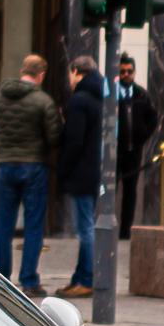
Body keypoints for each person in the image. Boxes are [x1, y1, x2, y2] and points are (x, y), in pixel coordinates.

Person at [0, 53, 60, 296]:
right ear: (41, 75)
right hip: (34, 167)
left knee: (4, 226)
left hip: (5, 165)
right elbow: (54, 138)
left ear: (22, 71)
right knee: (33, 226)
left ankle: (0, 278)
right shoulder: (43, 101)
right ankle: (29, 281)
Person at [55, 55, 104, 299]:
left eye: (70, 74)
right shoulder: (100, 97)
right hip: (94, 171)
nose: (69, 79)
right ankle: (80, 277)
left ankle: (86, 279)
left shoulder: (79, 100)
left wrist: (62, 171)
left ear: (76, 71)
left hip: (80, 173)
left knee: (85, 229)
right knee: (87, 226)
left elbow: (74, 140)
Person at [113, 53, 157, 238]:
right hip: (114, 152)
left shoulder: (141, 94)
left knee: (130, 192)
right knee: (110, 190)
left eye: (129, 71)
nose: (126, 75)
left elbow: (152, 119)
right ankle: (109, 229)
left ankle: (125, 231)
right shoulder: (110, 94)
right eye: (123, 71)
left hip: (133, 151)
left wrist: (141, 138)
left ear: (134, 72)